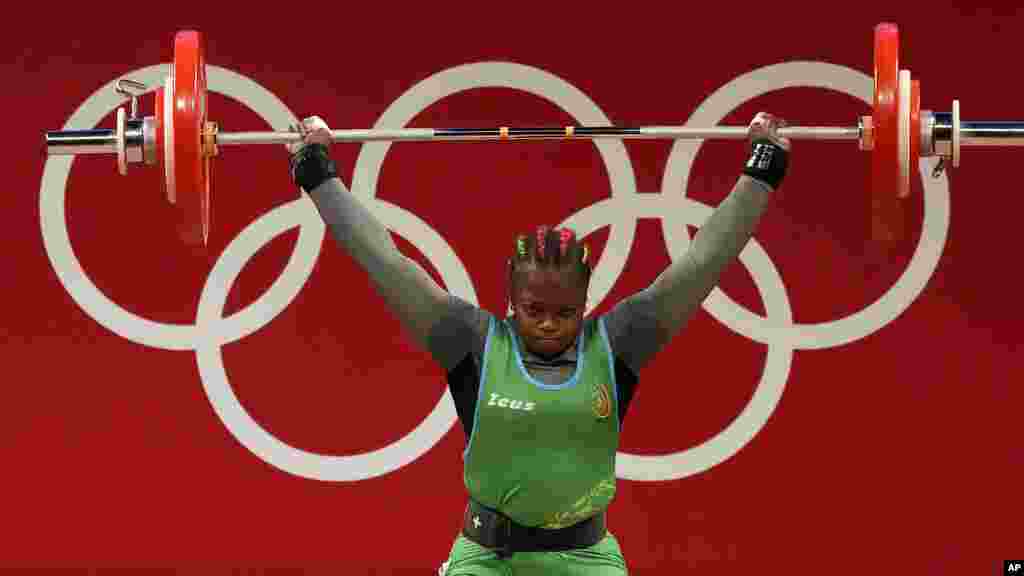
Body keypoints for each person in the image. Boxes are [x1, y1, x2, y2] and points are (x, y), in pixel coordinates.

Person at [286, 111, 791, 575]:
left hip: (587, 560)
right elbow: (386, 263)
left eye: (565, 312)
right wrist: (318, 174)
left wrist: (761, 169)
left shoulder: (618, 344)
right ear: (510, 296)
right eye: (534, 310)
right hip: (486, 561)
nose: (549, 323)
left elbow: (701, 264)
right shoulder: (471, 342)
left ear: (586, 302)